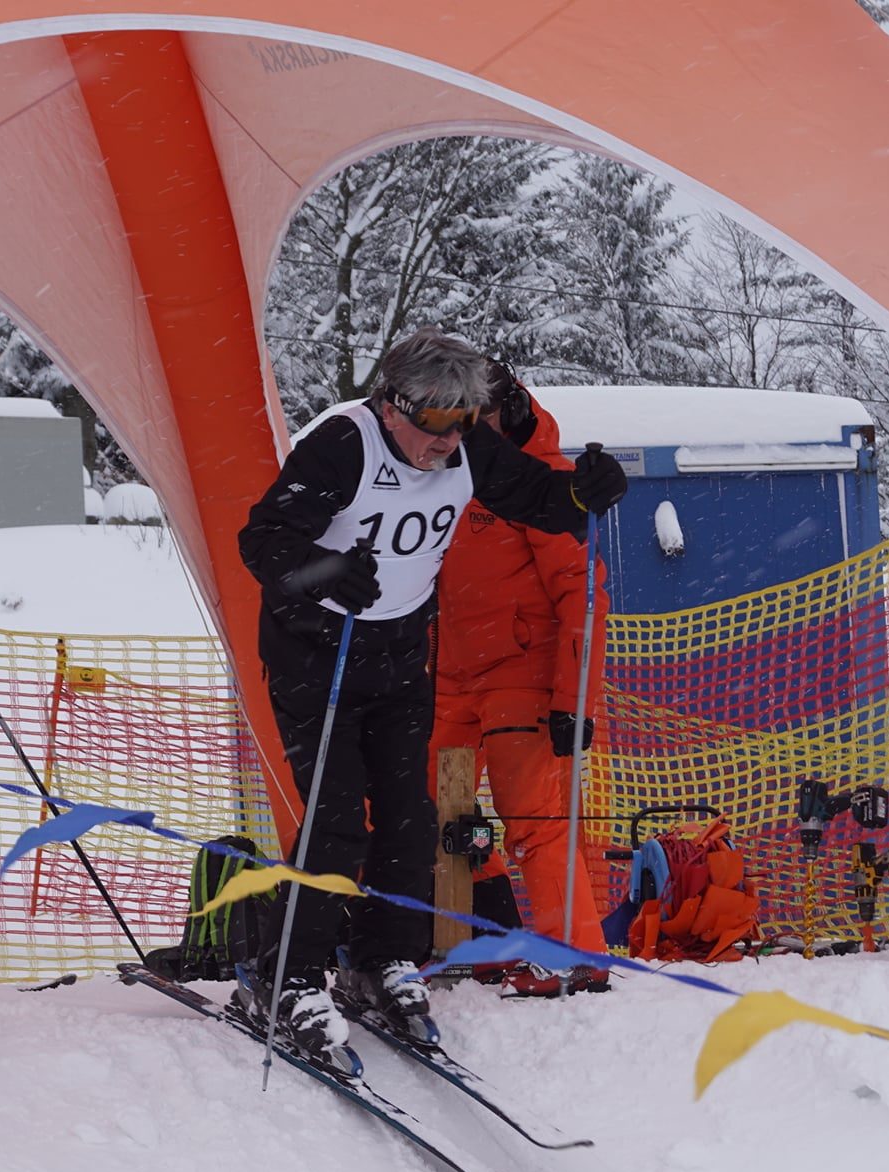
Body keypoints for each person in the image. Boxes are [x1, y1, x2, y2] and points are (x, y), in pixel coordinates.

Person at [237, 327, 627, 1059]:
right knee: (337, 817)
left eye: (461, 423)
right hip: (318, 657)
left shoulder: (467, 444)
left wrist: (583, 490)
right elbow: (262, 541)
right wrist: (325, 571)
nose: (446, 443)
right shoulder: (343, 444)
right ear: (393, 406)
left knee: (412, 819)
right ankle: (286, 972)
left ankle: (382, 957)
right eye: (434, 424)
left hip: (399, 654)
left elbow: (537, 497)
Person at [430, 359, 613, 997]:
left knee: (535, 821)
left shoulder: (544, 483)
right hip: (450, 676)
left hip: (521, 678)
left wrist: (573, 702)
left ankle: (576, 957)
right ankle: (486, 940)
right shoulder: (447, 470)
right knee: (433, 813)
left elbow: (584, 597)